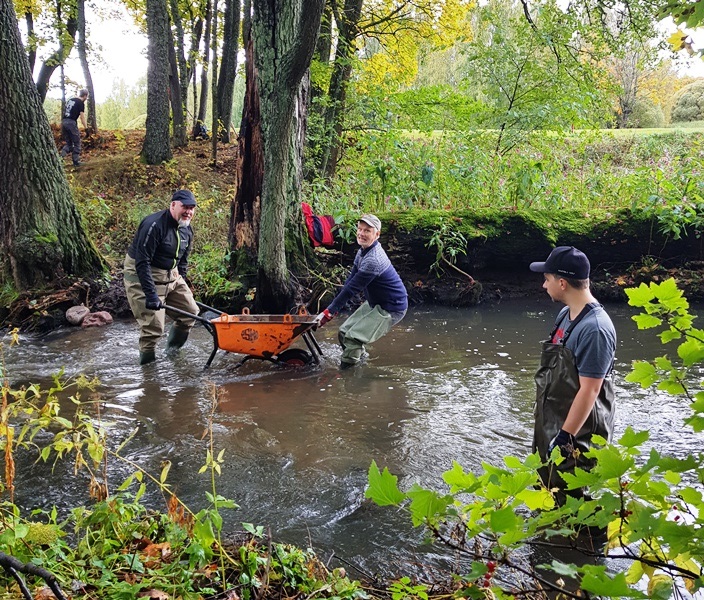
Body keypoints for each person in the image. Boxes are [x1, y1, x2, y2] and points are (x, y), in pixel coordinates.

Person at [529, 246, 616, 501]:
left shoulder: (596, 329)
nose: (544, 285)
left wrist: (565, 437)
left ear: (562, 283)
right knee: (545, 492)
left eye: (547, 279)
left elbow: (591, 390)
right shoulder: (566, 314)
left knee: (573, 501)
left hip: (578, 433)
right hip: (554, 421)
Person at [314, 214, 408, 368]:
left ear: (377, 234)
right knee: (344, 333)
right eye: (360, 229)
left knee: (353, 339)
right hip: (375, 302)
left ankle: (348, 373)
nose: (361, 234)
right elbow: (350, 282)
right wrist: (332, 310)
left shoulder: (373, 259)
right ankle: (360, 362)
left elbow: (352, 289)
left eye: (367, 231)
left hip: (391, 307)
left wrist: (328, 312)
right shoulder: (362, 251)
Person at [124, 190, 200, 365]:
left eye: (192, 208)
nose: (188, 212)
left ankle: (172, 354)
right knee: (154, 328)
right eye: (185, 207)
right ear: (173, 205)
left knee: (191, 313)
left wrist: (183, 283)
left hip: (171, 275)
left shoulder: (187, 229)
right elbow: (142, 262)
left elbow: (183, 260)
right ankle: (148, 370)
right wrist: (151, 295)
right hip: (142, 275)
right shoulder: (154, 225)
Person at [60, 89, 89, 167]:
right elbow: (82, 117)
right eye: (86, 97)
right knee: (77, 142)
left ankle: (60, 159)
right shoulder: (80, 103)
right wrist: (86, 128)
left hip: (64, 122)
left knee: (69, 144)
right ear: (85, 96)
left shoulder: (71, 100)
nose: (86, 98)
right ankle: (76, 162)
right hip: (71, 123)